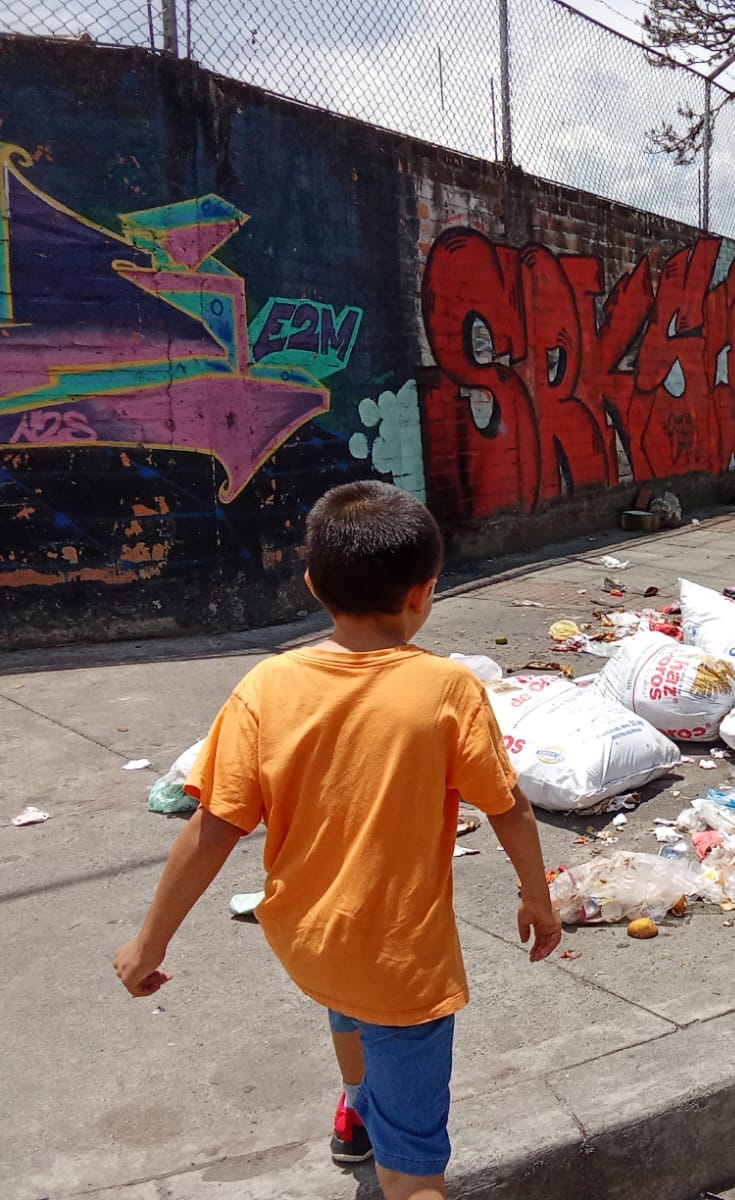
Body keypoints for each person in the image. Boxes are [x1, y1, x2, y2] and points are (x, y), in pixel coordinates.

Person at [113, 481, 561, 1200]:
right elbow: (508, 809)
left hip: (310, 936)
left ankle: (356, 1108)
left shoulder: (266, 685)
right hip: (400, 962)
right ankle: (379, 1133)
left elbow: (214, 827)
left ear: (312, 583)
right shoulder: (446, 688)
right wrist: (538, 899)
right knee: (414, 1173)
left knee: (346, 1003)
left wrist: (149, 943)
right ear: (424, 595)